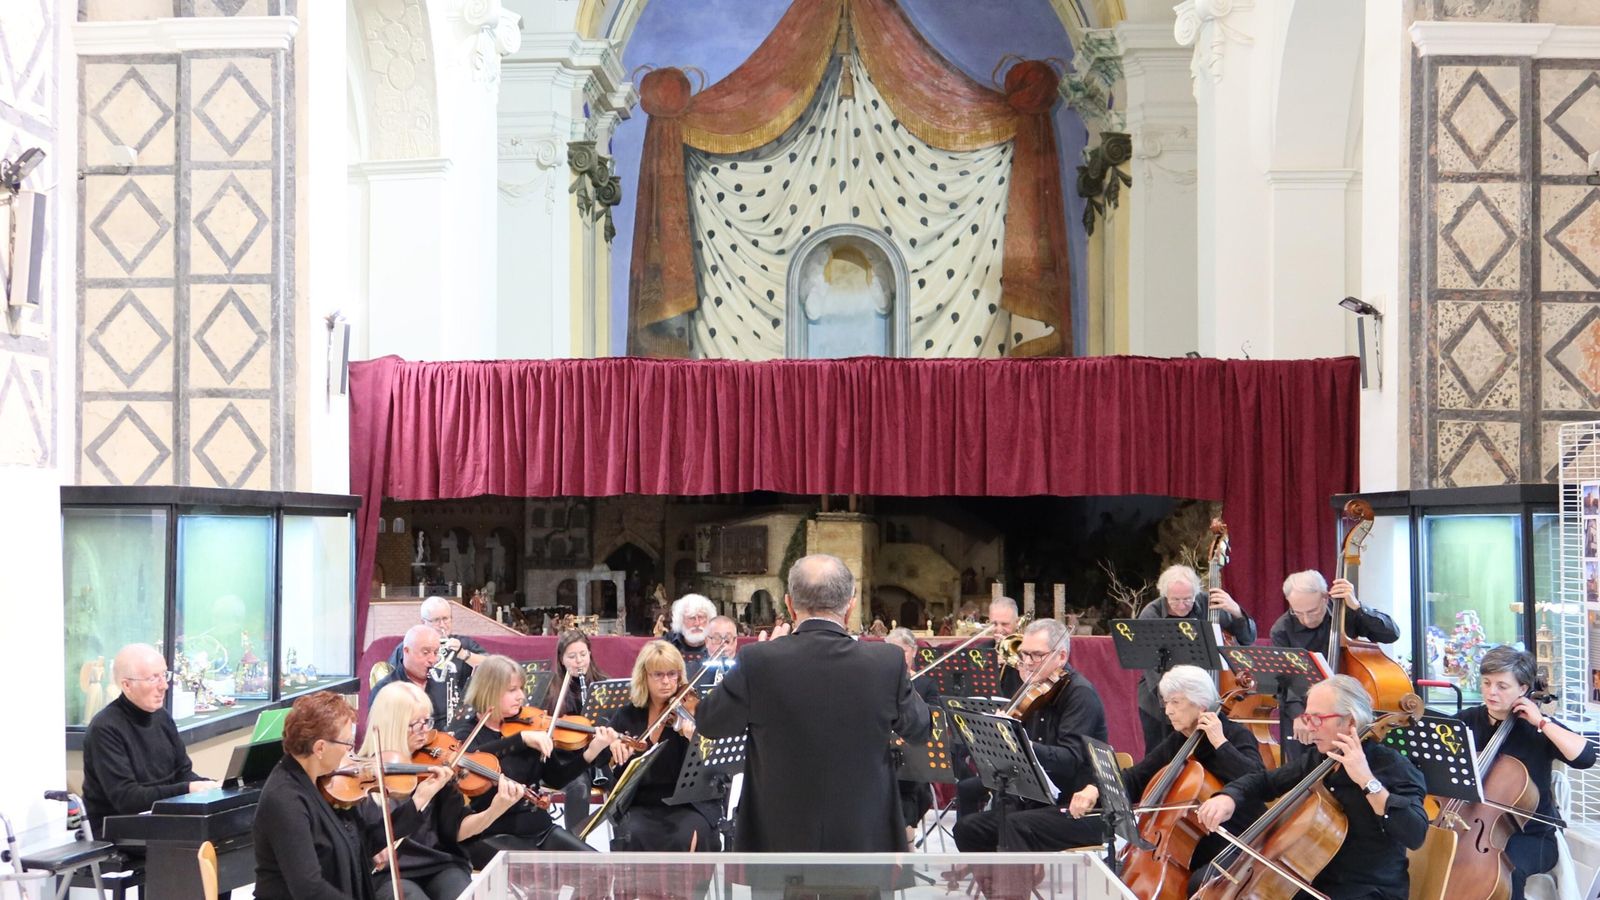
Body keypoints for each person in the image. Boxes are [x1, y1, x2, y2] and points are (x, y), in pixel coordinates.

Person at [697, 554, 930, 851]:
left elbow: (710, 722)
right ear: (851, 605)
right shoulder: (887, 663)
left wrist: (759, 660)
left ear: (790, 605)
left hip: (778, 837)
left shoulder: (759, 660)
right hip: (862, 836)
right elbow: (920, 729)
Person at [1194, 674, 1427, 900]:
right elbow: (1265, 782)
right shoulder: (1320, 759)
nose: (1310, 727)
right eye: (1307, 718)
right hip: (1312, 881)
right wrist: (1228, 797)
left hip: (1367, 889)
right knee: (1203, 882)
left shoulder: (1393, 767)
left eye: (1318, 718)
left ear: (1351, 721)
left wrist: (1366, 780)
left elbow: (1414, 834)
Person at [1066, 665, 1265, 893]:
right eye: (1166, 702)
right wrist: (1096, 789)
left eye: (1175, 702)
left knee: (1200, 885)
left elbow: (1257, 781)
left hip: (1235, 841)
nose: (1168, 711)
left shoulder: (1235, 735)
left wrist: (1221, 743)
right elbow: (1137, 777)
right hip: (1189, 846)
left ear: (1200, 704)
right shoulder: (1179, 740)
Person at [252, 691, 453, 900]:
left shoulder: (322, 782)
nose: (351, 751)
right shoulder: (285, 800)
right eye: (347, 743)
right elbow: (309, 889)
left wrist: (419, 799)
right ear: (320, 747)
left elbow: (360, 843)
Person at [952, 619, 1108, 852]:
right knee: (967, 829)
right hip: (1034, 802)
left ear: (1061, 657)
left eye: (1037, 655)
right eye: (1024, 654)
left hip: (1074, 806)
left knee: (1015, 826)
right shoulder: (1032, 691)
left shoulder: (1080, 695)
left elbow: (1069, 760)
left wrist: (1020, 744)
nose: (1027, 662)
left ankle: (1012, 886)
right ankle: (998, 887)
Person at [1456, 646, 1596, 900]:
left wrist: (1542, 722)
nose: (1491, 692)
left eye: (1502, 686)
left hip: (1533, 836)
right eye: (1486, 683)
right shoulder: (1466, 721)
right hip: (1470, 828)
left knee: (1505, 869)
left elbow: (1585, 758)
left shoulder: (1536, 728)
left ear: (1523, 689)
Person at [363, 683, 521, 900]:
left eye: (427, 721)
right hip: (390, 875)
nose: (425, 731)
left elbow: (455, 829)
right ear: (393, 725)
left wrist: (495, 810)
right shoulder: (365, 775)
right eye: (414, 724)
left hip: (441, 864)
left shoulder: (436, 766)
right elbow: (367, 840)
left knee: (461, 894)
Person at [447, 654, 614, 851]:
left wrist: (590, 754)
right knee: (537, 874)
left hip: (540, 828)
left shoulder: (529, 728)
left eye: (521, 689)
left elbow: (556, 780)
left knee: (598, 867)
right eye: (512, 690)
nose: (521, 696)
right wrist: (521, 740)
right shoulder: (467, 734)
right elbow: (471, 758)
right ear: (489, 691)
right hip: (494, 834)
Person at [83, 643, 220, 836]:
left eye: (164, 675)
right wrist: (189, 789)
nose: (164, 685)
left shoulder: (162, 717)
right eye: (153, 678)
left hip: (163, 818)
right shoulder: (105, 728)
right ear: (127, 685)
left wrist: (213, 787)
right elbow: (127, 799)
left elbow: (183, 774)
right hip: (120, 827)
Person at [599, 641, 721, 851]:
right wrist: (613, 749)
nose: (666, 682)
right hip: (639, 803)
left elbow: (713, 767)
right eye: (658, 675)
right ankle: (642, 886)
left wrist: (696, 739)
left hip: (686, 802)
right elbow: (604, 762)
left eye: (672, 674)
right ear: (644, 677)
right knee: (633, 833)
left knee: (690, 833)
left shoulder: (692, 712)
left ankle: (688, 885)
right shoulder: (627, 716)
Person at [1269, 570, 1400, 764]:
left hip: (1348, 710)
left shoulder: (1346, 613)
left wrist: (1357, 607)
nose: (1306, 619)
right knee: (1302, 770)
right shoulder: (1282, 629)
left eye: (1311, 611)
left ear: (1325, 597)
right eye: (1298, 613)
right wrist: (1300, 715)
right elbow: (1285, 683)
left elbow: (1391, 634)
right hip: (1305, 708)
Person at [1136, 565, 1257, 751]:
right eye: (1175, 600)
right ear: (1164, 594)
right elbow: (1151, 668)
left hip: (1203, 699)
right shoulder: (1151, 614)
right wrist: (1176, 704)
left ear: (1196, 593)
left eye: (1188, 599)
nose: (1182, 605)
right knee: (1160, 760)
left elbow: (1247, 639)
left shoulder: (1209, 605)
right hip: (1161, 703)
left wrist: (1236, 611)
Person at [545, 630, 609, 831]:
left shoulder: (603, 684)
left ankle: (621, 845)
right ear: (562, 660)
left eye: (583, 654)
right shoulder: (552, 689)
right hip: (567, 759)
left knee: (624, 785)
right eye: (571, 657)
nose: (578, 661)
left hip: (599, 756)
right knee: (579, 787)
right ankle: (575, 843)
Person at [886, 626, 941, 846]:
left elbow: (934, 721)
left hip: (915, 761)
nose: (898, 657)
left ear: (914, 651)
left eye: (903, 651)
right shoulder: (880, 684)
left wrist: (909, 690)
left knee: (908, 785)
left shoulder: (925, 684)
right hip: (886, 760)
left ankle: (905, 845)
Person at [385, 598, 486, 712]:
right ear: (423, 622)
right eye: (436, 620)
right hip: (416, 715)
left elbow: (491, 666)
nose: (442, 625)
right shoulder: (410, 645)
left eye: (446, 619)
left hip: (453, 717)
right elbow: (391, 681)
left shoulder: (464, 643)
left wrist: (463, 654)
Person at [372, 625, 451, 729]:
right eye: (425, 653)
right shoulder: (385, 688)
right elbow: (380, 734)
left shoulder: (445, 680)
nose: (433, 659)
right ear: (406, 651)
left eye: (436, 652)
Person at [664, 593, 716, 665]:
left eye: (701, 617)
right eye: (691, 618)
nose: (697, 623)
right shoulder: (667, 643)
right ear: (680, 620)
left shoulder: (718, 643)